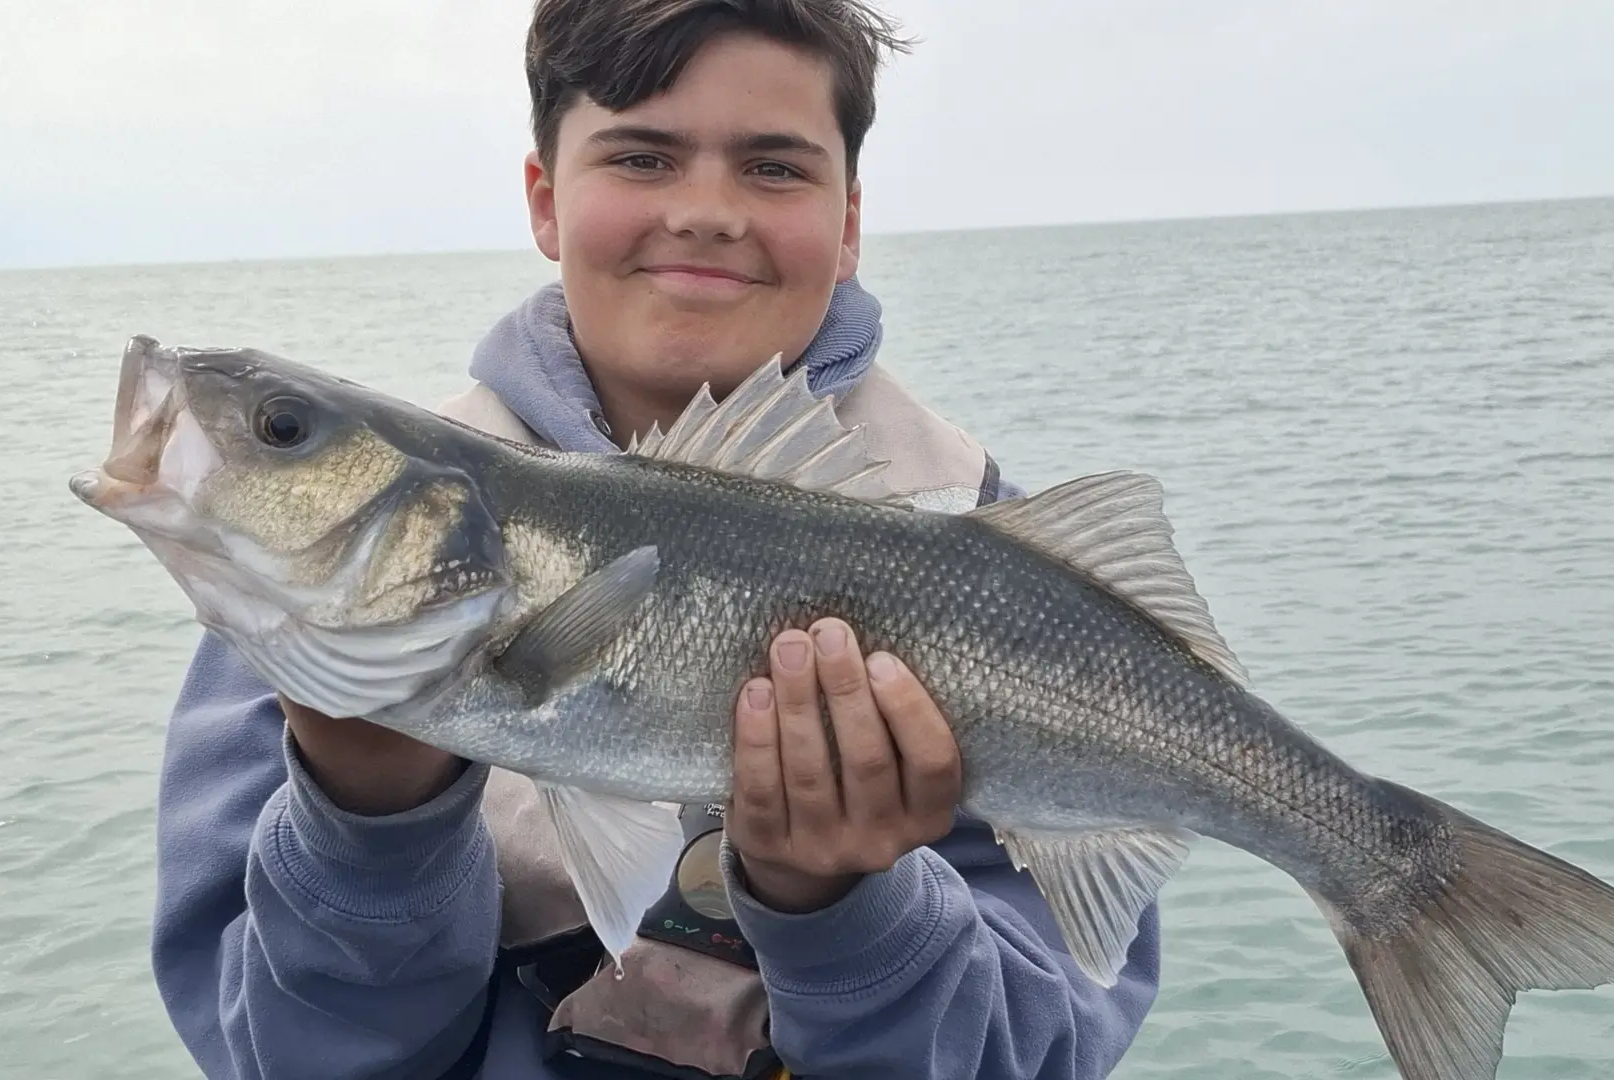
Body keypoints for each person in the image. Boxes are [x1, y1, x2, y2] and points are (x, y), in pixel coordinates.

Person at [149, 2, 1163, 1077]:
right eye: (642, 156)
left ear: (850, 216)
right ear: (545, 198)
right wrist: (367, 815)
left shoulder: (981, 537)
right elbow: (281, 1060)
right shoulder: (323, 594)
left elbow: (1043, 1054)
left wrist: (846, 906)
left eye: (774, 169)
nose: (706, 212)